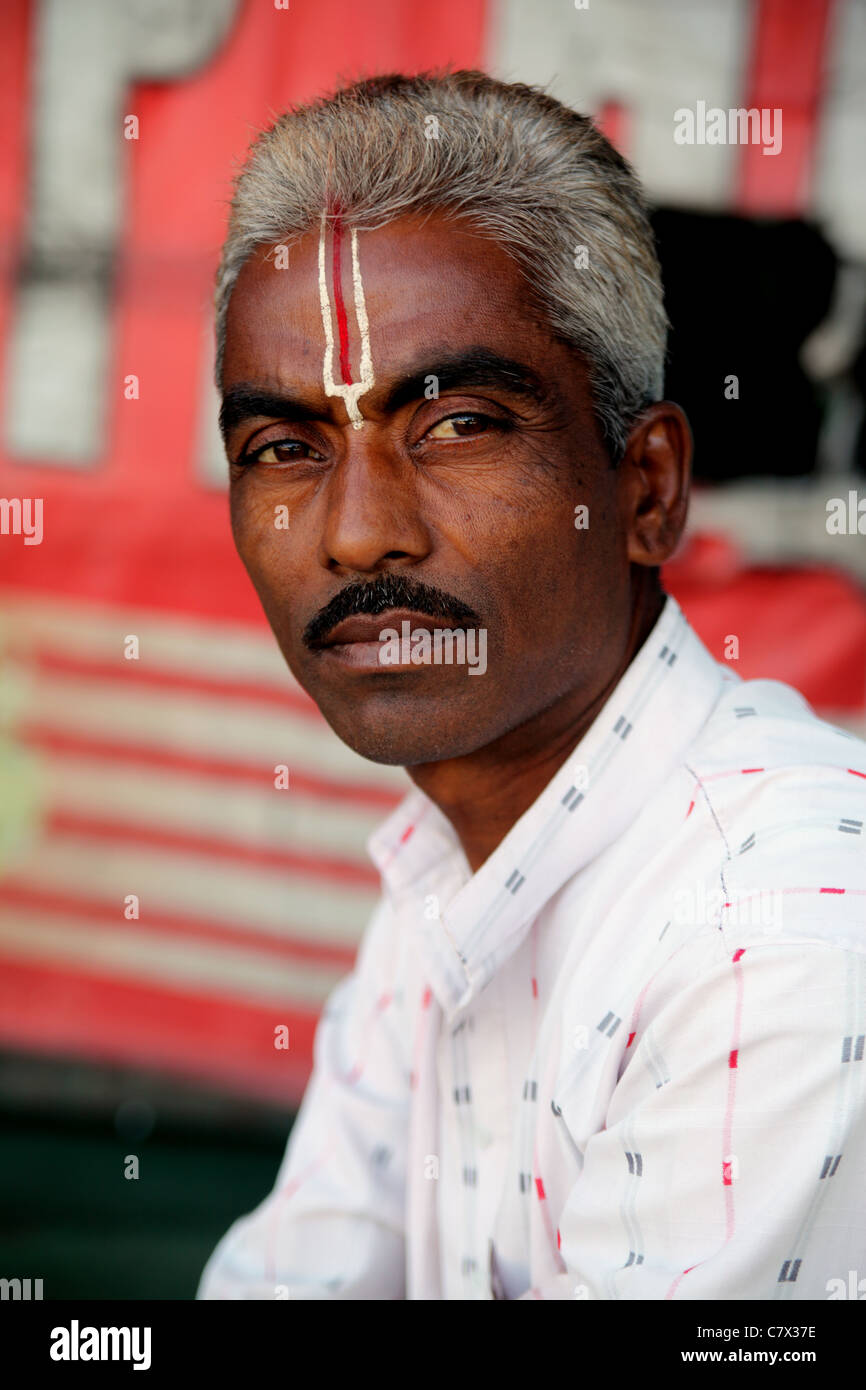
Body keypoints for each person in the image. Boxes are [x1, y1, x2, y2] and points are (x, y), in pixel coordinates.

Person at [197, 71, 866, 1300]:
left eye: (454, 423)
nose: (354, 536)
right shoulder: (453, 858)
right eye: (284, 447)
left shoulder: (776, 942)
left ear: (646, 487)